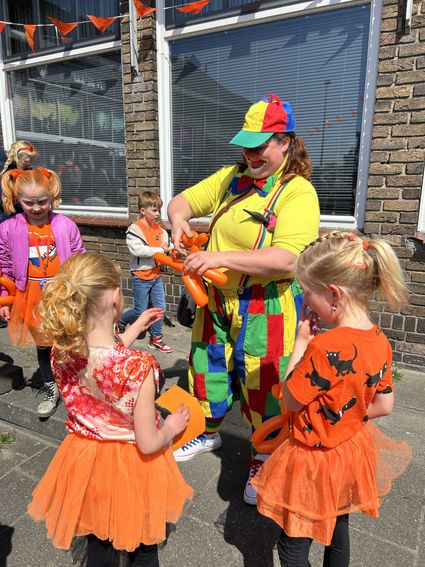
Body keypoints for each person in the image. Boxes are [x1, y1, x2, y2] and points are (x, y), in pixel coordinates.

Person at [167, 94, 320, 505]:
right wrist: (178, 222)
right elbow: (180, 202)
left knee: (263, 382)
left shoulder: (298, 192)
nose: (250, 155)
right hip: (216, 298)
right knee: (207, 366)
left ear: (285, 142)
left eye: (260, 146)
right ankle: (208, 432)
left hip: (265, 302)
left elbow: (288, 259)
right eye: (246, 146)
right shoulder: (231, 177)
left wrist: (218, 257)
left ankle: (264, 455)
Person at [252, 231, 412, 566]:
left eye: (307, 293)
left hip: (313, 459)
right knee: (339, 526)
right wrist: (345, 414)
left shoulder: (324, 347)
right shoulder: (380, 340)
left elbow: (290, 401)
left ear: (334, 294)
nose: (305, 302)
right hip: (351, 451)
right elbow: (384, 405)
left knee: (293, 542)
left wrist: (300, 343)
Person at [28, 253, 193, 566]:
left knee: (99, 537)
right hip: (133, 464)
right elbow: (149, 442)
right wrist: (171, 427)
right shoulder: (140, 367)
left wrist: (134, 329)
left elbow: (101, 359)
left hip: (86, 460)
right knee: (144, 544)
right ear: (117, 297)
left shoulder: (62, 352)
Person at [0, 167, 85, 418]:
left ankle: (75, 386)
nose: (36, 208)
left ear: (52, 196)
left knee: (70, 342)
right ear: (17, 199)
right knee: (44, 346)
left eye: (42, 201)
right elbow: (4, 265)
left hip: (62, 295)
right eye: (29, 202)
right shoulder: (9, 228)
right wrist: (5, 299)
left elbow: (79, 257)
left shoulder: (65, 225)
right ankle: (51, 386)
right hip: (31, 298)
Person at [118, 190, 173, 353]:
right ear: (143, 210)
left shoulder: (160, 230)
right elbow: (139, 250)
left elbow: (167, 245)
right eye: (154, 210)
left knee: (160, 308)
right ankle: (121, 321)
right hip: (141, 277)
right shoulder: (135, 229)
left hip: (156, 276)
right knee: (140, 311)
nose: (158, 214)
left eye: (159, 210)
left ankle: (156, 339)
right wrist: (161, 250)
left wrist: (173, 248)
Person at [1, 141, 38, 221]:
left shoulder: (27, 170)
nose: (29, 165)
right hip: (8, 216)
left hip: (24, 213)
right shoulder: (8, 174)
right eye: (26, 162)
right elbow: (4, 199)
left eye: (31, 162)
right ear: (17, 157)